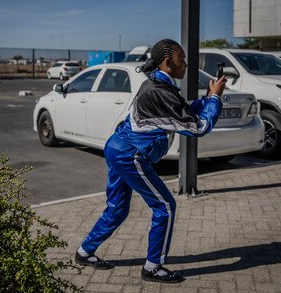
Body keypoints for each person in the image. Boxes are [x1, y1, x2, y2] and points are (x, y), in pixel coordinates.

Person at [75, 39, 226, 283]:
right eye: (182, 60)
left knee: (117, 209)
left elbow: (182, 111)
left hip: (117, 147)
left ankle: (84, 252)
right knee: (165, 207)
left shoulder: (156, 84)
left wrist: (208, 98)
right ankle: (153, 267)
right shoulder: (159, 90)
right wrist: (216, 100)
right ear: (168, 62)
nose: (186, 65)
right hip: (129, 154)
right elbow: (199, 127)